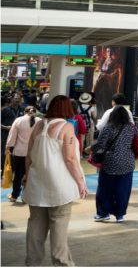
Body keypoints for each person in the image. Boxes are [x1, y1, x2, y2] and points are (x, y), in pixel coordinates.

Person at [22, 95, 88, 266]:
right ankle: (62, 264)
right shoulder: (66, 127)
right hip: (60, 187)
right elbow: (70, 159)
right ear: (68, 109)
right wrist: (81, 182)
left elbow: (28, 156)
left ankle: (32, 263)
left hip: (36, 186)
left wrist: (28, 176)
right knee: (59, 232)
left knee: (35, 230)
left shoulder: (38, 125)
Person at [92, 106, 137, 223]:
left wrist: (90, 149)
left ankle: (103, 213)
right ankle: (120, 215)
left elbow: (101, 144)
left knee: (104, 189)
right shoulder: (132, 128)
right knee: (123, 190)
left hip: (110, 162)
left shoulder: (108, 127)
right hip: (127, 162)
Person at [6, 107, 38, 203]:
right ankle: (28, 196)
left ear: (24, 112)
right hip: (34, 153)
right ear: (35, 112)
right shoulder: (39, 121)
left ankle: (14, 196)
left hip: (20, 152)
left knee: (18, 175)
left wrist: (8, 147)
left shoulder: (18, 120)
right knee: (32, 175)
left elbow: (12, 136)